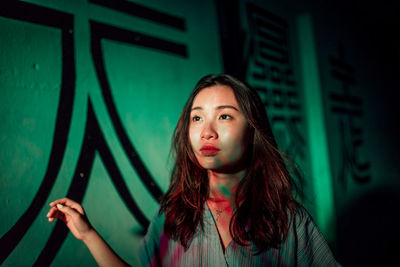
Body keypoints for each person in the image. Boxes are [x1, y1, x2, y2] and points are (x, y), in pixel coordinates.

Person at [47, 74, 341, 266]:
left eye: (224, 116)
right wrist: (87, 234)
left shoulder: (287, 220)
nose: (207, 132)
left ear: (254, 131)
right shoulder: (174, 216)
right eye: (197, 118)